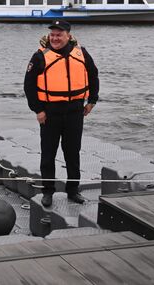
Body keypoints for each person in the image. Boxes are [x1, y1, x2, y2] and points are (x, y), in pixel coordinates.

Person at [23, 20, 99, 207]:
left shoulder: (82, 53)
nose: (55, 38)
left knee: (72, 153)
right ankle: (48, 191)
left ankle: (73, 190)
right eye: (53, 35)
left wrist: (92, 101)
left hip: (75, 111)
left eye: (59, 34)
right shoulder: (40, 56)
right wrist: (38, 110)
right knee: (48, 154)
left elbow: (93, 75)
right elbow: (29, 86)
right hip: (50, 113)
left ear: (68, 36)